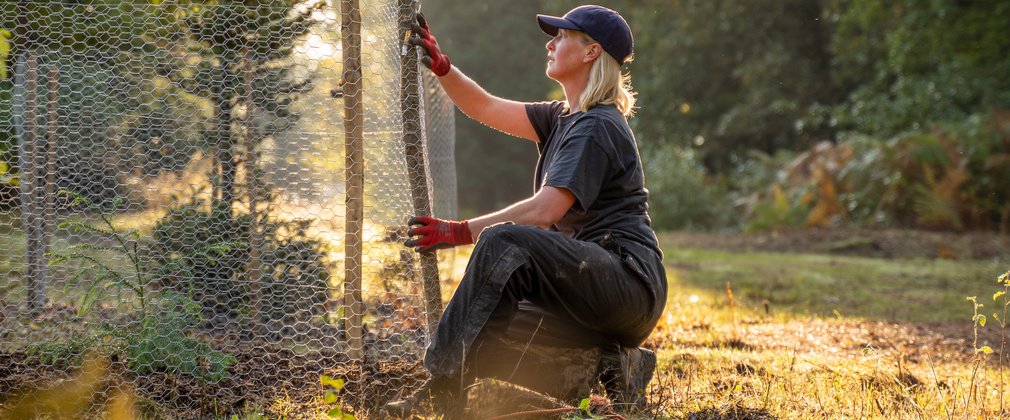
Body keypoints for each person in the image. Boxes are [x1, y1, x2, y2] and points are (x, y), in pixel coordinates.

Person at [383, 4, 667, 417]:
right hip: (588, 290)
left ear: (591, 53)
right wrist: (444, 68)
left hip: (627, 283)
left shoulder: (596, 125)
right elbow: (484, 107)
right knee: (482, 315)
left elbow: (546, 208)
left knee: (504, 239)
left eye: (562, 37)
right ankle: (618, 365)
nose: (550, 44)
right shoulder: (561, 117)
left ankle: (440, 389)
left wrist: (460, 231)